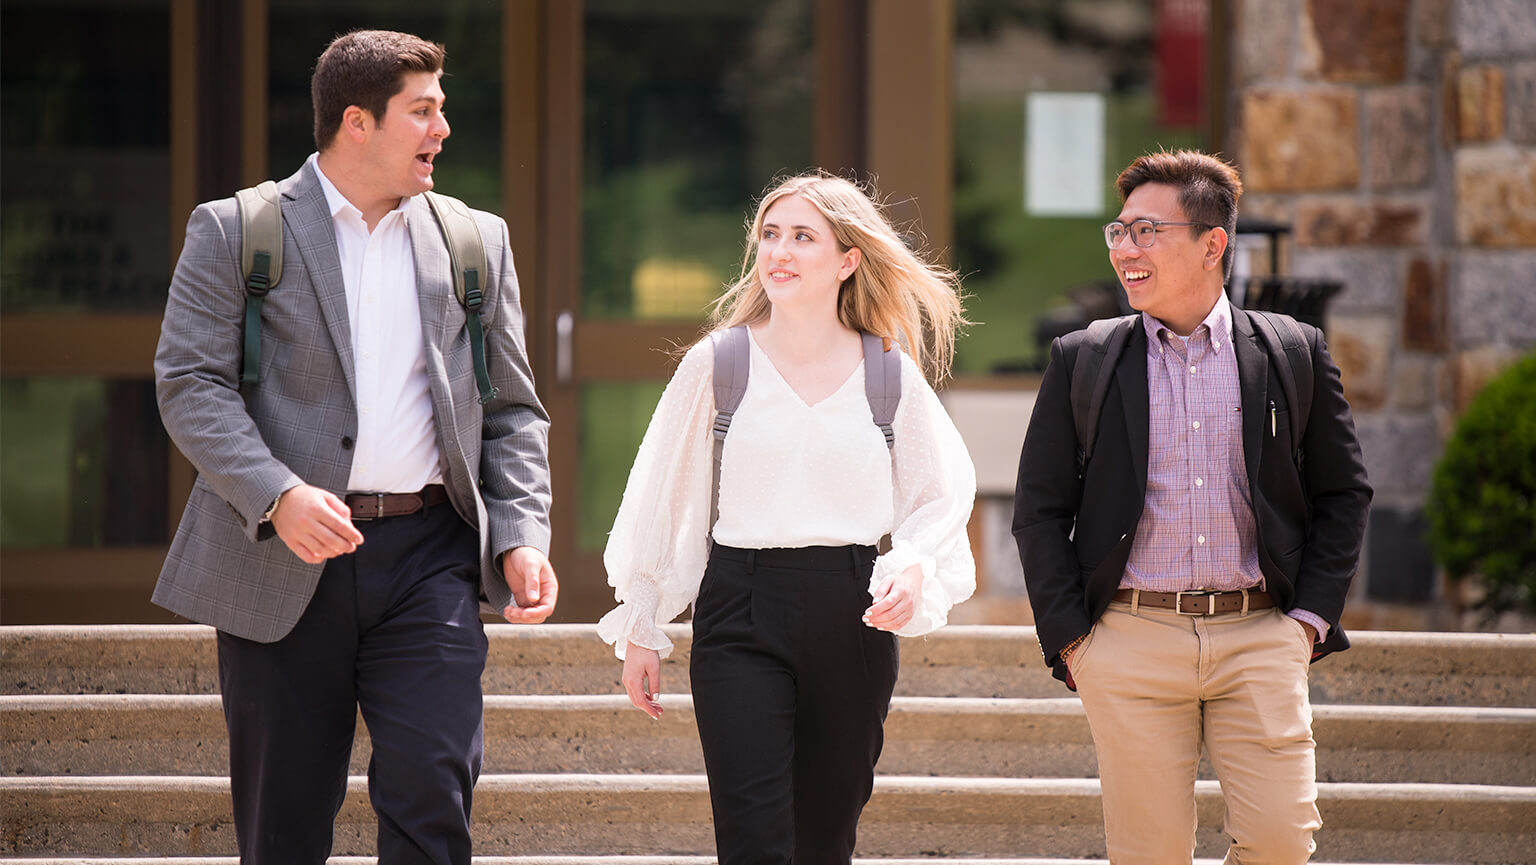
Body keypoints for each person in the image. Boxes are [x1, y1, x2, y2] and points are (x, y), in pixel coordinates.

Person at [151, 30, 556, 865]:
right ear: (357, 123)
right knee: (284, 823)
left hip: (429, 558)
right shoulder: (236, 230)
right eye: (423, 111)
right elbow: (190, 384)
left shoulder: (476, 240)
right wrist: (277, 493)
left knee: (432, 794)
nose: (443, 129)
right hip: (279, 556)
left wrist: (519, 533)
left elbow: (511, 406)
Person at [597, 173, 976, 864]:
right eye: (770, 234)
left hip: (851, 610)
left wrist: (913, 565)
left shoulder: (887, 369)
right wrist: (644, 618)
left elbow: (939, 493)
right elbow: (662, 495)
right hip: (741, 606)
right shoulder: (718, 363)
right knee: (753, 839)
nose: (780, 250)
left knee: (825, 839)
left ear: (847, 259)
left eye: (803, 236)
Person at [1013, 149, 1371, 863]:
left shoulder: (1292, 350)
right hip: (1132, 639)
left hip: (1260, 632)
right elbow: (1040, 508)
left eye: (1148, 231)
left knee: (1279, 841)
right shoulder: (1083, 357)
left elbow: (1344, 492)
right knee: (1150, 853)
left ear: (1213, 244)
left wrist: (1306, 621)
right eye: (1119, 232)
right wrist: (1074, 639)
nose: (1126, 250)